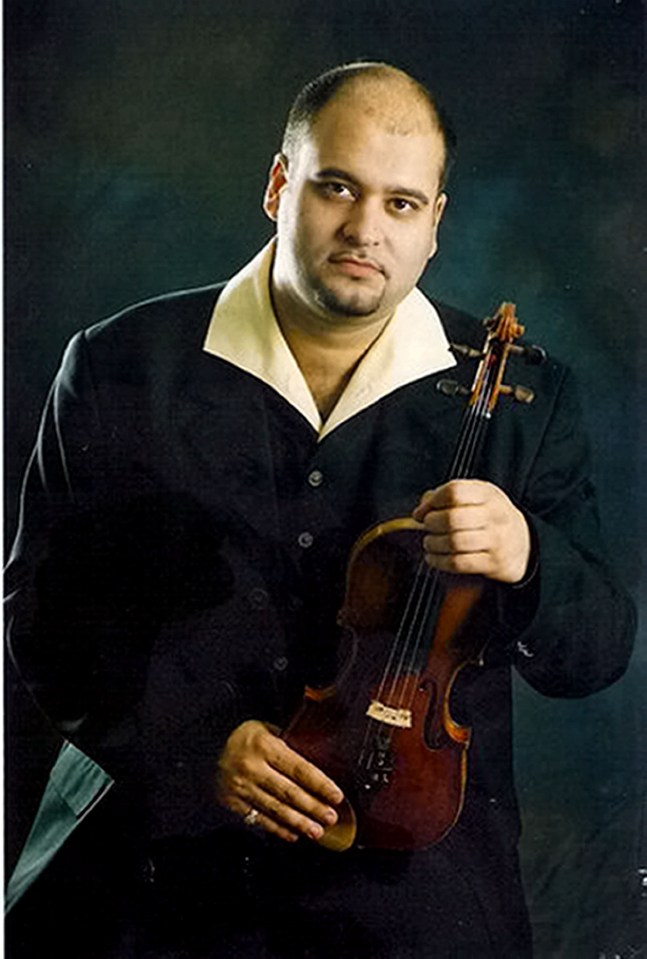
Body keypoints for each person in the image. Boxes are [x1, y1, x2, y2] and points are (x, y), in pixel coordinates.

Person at [5, 61, 635, 958]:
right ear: (278, 186)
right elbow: (42, 613)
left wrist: (529, 555)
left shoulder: (524, 401)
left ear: (434, 226)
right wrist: (189, 750)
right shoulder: (119, 363)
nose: (365, 229)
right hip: (153, 861)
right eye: (336, 187)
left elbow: (595, 652)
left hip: (412, 887)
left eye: (401, 204)